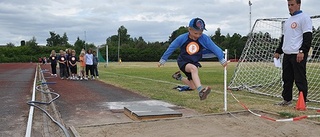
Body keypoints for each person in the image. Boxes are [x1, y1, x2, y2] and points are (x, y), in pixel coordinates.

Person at [158, 17, 227, 100]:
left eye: (200, 33)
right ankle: (201, 91)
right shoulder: (182, 38)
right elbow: (171, 47)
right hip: (183, 61)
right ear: (189, 30)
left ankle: (178, 77)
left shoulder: (204, 38)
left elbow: (214, 48)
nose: (198, 36)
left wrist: (222, 59)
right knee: (194, 69)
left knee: (193, 86)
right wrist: (163, 59)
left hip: (194, 62)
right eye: (195, 33)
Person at [274, 0, 312, 106]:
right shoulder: (288, 21)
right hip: (287, 54)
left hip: (298, 54)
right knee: (287, 78)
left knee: (299, 78)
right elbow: (285, 38)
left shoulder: (304, 18)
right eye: (288, 5)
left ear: (298, 5)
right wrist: (278, 51)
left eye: (292, 5)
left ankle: (302, 100)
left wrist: (302, 51)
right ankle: (287, 100)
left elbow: (307, 36)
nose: (290, 7)